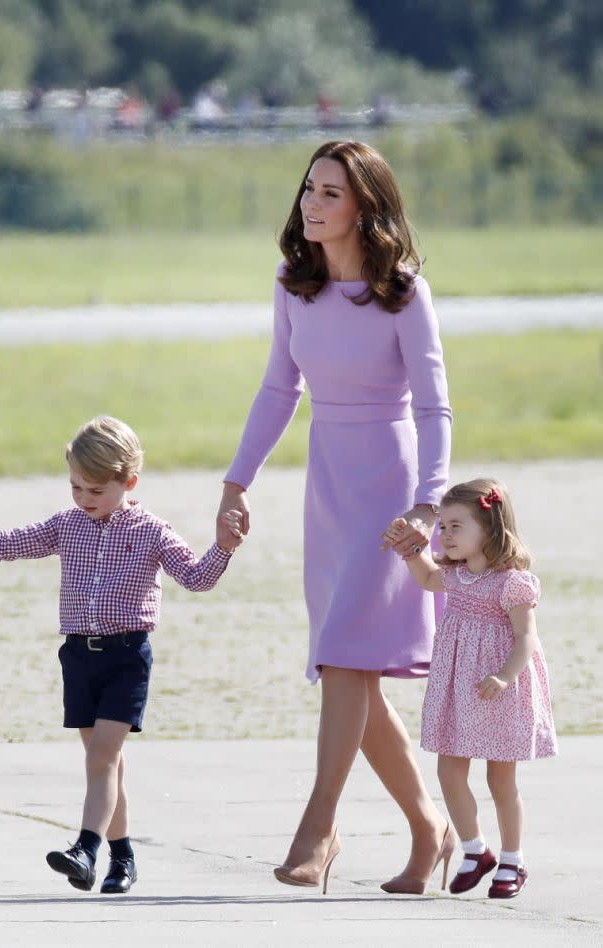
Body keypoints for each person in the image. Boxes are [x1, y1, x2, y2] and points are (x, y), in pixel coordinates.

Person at [216, 140, 455, 895]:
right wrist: (236, 481)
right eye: (309, 190)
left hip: (391, 488)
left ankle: (319, 827)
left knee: (347, 657)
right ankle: (430, 830)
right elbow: (277, 391)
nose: (311, 205)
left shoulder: (404, 292)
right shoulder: (295, 284)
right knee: (352, 668)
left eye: (330, 194)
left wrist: (428, 501)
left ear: (364, 208)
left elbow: (433, 403)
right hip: (329, 486)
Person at [0, 416, 241, 894]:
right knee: (106, 765)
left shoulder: (152, 531)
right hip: (79, 658)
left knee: (103, 758)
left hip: (127, 657)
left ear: (128, 482)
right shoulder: (67, 525)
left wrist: (224, 548)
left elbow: (196, 577)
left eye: (95, 491)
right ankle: (123, 858)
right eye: (76, 488)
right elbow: (10, 545)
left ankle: (85, 849)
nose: (84, 500)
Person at [384, 478, 557, 899]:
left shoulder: (512, 583)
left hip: (498, 686)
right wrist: (409, 549)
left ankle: (513, 859)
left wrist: (504, 675)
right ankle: (475, 850)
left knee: (501, 779)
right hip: (459, 687)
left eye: (456, 526)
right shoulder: (456, 576)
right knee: (449, 769)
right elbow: (426, 578)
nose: (445, 535)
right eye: (442, 526)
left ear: (490, 527)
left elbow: (525, 638)